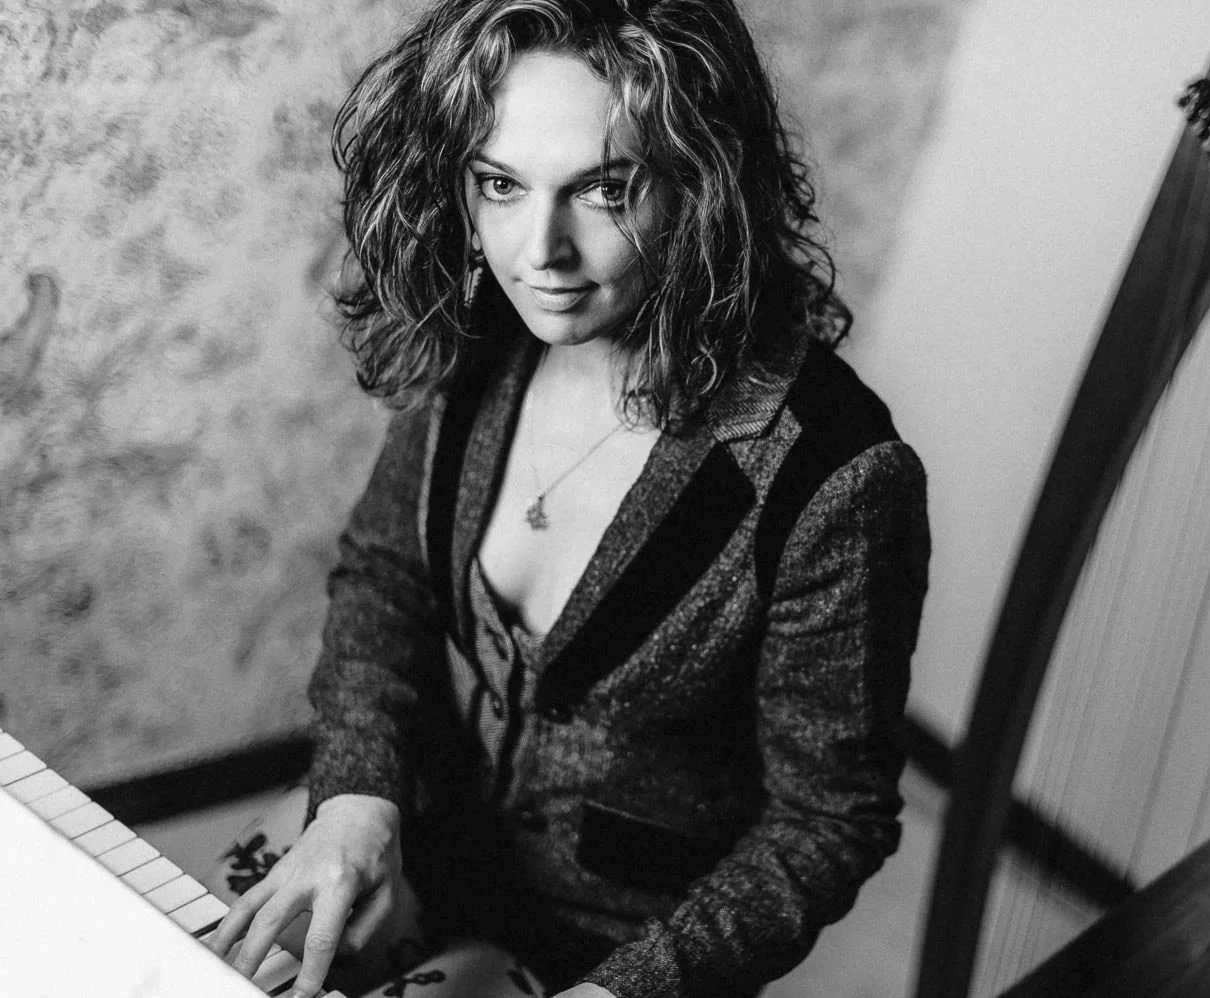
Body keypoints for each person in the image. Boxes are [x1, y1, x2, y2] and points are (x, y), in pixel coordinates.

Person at [207, 1, 930, 996]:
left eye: (602, 188)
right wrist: (356, 796)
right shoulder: (480, 334)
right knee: (187, 953)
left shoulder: (835, 475)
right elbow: (387, 577)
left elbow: (826, 823)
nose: (536, 249)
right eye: (499, 183)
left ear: (701, 182)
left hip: (609, 940)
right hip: (411, 826)